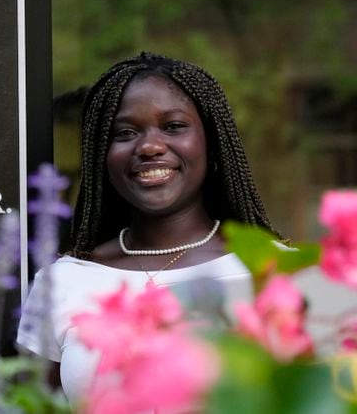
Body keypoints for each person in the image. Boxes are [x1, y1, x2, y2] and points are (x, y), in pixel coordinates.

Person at [17, 52, 285, 405]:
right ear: (102, 154)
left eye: (173, 126)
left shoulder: (274, 273)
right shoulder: (63, 281)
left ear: (212, 143)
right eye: (125, 133)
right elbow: (35, 406)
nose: (150, 146)